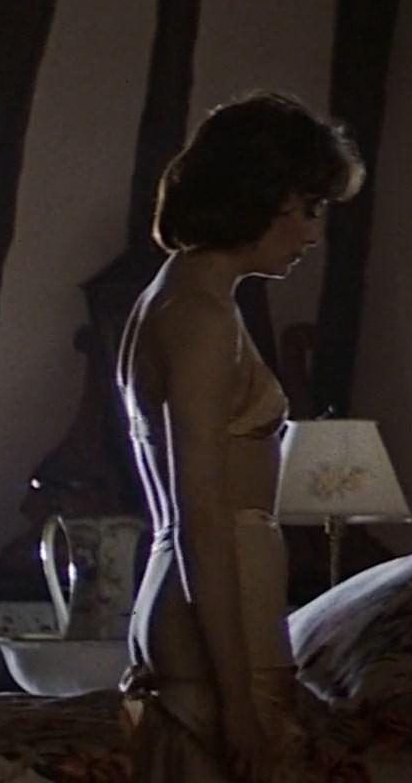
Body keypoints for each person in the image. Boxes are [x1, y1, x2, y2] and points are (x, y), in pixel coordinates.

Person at [116, 91, 364, 781]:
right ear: (261, 196)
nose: (311, 235)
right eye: (307, 209)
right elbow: (201, 516)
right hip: (215, 623)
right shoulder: (198, 316)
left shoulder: (183, 299)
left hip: (201, 609)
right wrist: (235, 701)